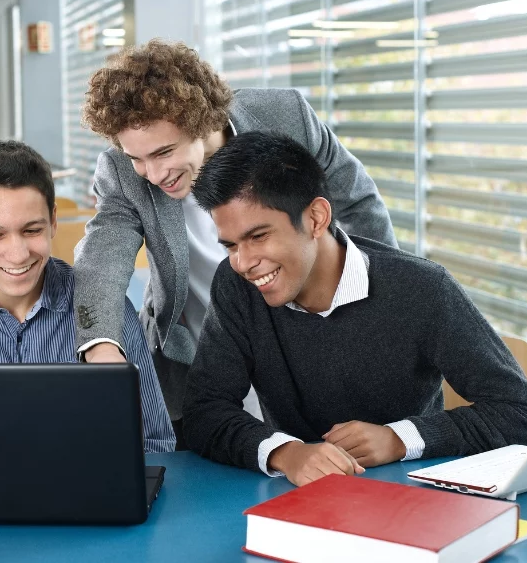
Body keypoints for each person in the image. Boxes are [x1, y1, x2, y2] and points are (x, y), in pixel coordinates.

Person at [74, 39, 398, 447]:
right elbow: (102, 256)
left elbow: (359, 205)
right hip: (196, 356)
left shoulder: (286, 116)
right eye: (138, 158)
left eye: (164, 153)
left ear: (203, 121)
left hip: (306, 342)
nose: (153, 174)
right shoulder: (122, 171)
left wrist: (384, 311)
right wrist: (100, 344)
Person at [183, 132, 527, 486]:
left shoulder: (422, 289)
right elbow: (205, 411)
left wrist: (398, 439)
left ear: (316, 218)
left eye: (258, 236)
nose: (243, 262)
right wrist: (286, 453)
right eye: (231, 246)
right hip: (298, 499)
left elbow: (520, 414)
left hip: (410, 497)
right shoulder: (236, 287)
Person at [0, 140, 175, 454]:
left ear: (53, 221)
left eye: (31, 231)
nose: (17, 254)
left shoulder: (107, 312)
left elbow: (153, 443)